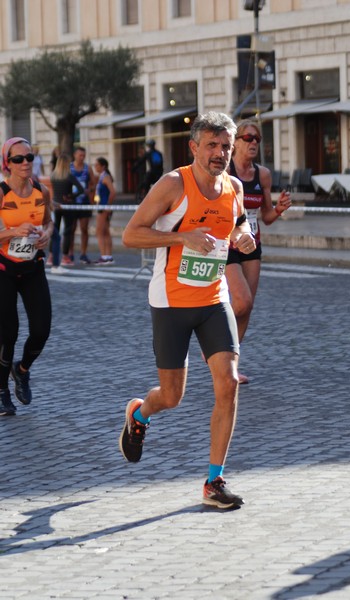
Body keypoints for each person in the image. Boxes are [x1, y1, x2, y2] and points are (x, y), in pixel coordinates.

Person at [120, 112, 256, 509]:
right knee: (173, 396)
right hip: (171, 302)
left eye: (226, 146)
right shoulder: (173, 184)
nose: (220, 153)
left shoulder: (233, 186)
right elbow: (130, 234)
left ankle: (214, 482)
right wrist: (182, 236)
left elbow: (240, 224)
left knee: (228, 384)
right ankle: (140, 413)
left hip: (213, 301)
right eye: (211, 145)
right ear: (193, 147)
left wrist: (243, 237)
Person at [226, 120, 291, 384]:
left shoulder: (262, 175)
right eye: (248, 138)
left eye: (257, 139)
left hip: (253, 244)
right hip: (227, 244)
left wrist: (279, 209)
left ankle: (230, 364)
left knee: (247, 307)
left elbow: (265, 216)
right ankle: (216, 341)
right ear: (236, 142)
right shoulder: (225, 172)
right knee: (240, 301)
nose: (253, 143)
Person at [0, 137, 53, 416]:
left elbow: (49, 222)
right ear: (7, 164)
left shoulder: (41, 191)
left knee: (42, 330)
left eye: (29, 157)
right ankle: (1, 392)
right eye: (18, 159)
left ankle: (21, 371)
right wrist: (12, 231)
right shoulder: (1, 193)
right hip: (4, 269)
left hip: (33, 267)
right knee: (8, 333)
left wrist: (46, 235)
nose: (25, 163)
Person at [49, 153, 84, 272]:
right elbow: (81, 189)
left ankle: (51, 256)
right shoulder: (69, 176)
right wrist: (71, 196)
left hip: (55, 205)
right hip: (68, 206)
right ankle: (65, 256)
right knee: (68, 231)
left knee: (55, 231)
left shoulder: (53, 176)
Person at [69, 146, 95, 265]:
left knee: (84, 229)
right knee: (71, 229)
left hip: (84, 202)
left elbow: (93, 184)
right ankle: (70, 253)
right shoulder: (69, 168)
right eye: (80, 155)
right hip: (72, 202)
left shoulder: (87, 168)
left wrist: (90, 194)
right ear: (74, 155)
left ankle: (83, 253)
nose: (82, 158)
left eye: (83, 156)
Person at [93, 157, 116, 265]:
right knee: (105, 231)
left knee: (99, 231)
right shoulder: (101, 177)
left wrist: (108, 205)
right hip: (100, 206)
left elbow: (112, 192)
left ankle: (104, 256)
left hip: (103, 208)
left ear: (103, 166)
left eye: (97, 165)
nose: (95, 167)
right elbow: (99, 193)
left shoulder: (105, 177)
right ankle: (108, 256)